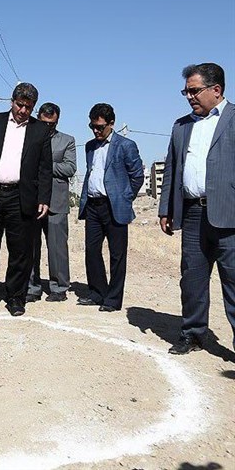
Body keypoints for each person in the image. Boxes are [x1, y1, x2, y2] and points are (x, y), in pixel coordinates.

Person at [159, 63, 235, 354]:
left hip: (229, 215)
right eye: (186, 92)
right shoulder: (181, 126)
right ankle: (192, 334)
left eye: (194, 91)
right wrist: (166, 209)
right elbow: (171, 169)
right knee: (192, 279)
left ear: (216, 89)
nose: (189, 96)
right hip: (192, 214)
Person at [0, 82, 52, 316]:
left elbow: (45, 168)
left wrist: (44, 198)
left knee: (21, 251)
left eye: (28, 107)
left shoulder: (40, 130)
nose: (23, 110)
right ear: (12, 101)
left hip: (21, 197)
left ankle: (16, 297)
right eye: (19, 105)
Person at [78, 103, 143, 312]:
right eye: (92, 126)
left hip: (114, 207)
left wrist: (125, 197)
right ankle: (97, 293)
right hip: (93, 206)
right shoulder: (89, 146)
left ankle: (113, 300)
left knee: (117, 255)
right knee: (92, 251)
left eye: (100, 127)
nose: (96, 131)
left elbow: (137, 176)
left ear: (111, 124)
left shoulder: (126, 145)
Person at [27, 103, 77, 302]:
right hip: (32, 201)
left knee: (57, 248)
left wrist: (44, 164)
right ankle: (32, 287)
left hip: (56, 202)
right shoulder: (27, 136)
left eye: (52, 124)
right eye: (44, 122)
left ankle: (59, 287)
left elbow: (70, 168)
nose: (47, 127)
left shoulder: (67, 140)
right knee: (30, 247)